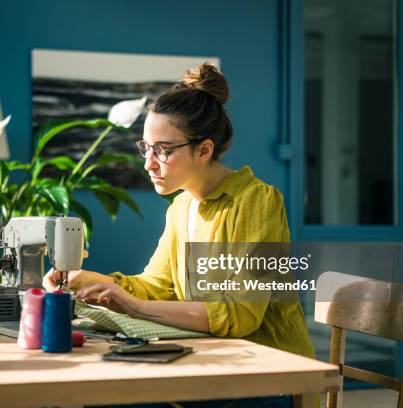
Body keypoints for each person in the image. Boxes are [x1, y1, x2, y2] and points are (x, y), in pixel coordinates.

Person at [43, 63, 315, 408]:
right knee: (104, 392)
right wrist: (91, 280)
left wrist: (135, 306)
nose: (149, 164)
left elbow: (241, 315)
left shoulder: (256, 201)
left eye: (164, 150)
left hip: (273, 376)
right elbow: (158, 285)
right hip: (218, 363)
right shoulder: (182, 207)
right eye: (146, 148)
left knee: (117, 400)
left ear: (203, 150)